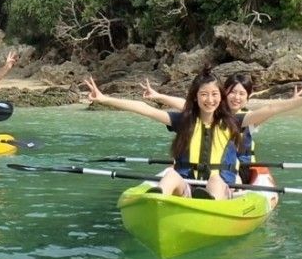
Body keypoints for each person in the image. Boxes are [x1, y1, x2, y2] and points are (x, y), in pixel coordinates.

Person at [84, 70, 244, 200]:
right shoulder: (183, 121)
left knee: (215, 180)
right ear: (195, 97)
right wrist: (104, 99)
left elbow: (264, 113)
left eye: (214, 94)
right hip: (188, 186)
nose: (209, 99)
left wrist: (271, 107)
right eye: (204, 94)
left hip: (220, 191)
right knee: (171, 174)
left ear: (221, 96)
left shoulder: (232, 121)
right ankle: (157, 203)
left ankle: (209, 206)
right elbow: (145, 109)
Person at [141, 73, 302, 182]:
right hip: (203, 168)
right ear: (224, 94)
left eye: (242, 94)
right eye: (232, 92)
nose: (236, 97)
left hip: (238, 170)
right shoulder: (210, 111)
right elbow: (184, 104)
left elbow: (272, 109)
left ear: (248, 97)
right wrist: (158, 96)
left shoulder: (247, 118)